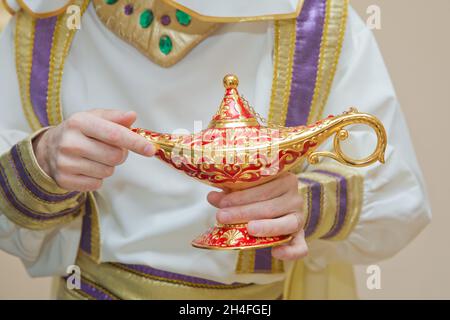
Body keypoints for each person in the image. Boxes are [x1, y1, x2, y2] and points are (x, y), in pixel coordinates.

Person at [0, 0, 431, 299]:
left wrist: (305, 204)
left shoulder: (318, 23)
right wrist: (40, 161)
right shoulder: (45, 21)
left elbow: (399, 194)